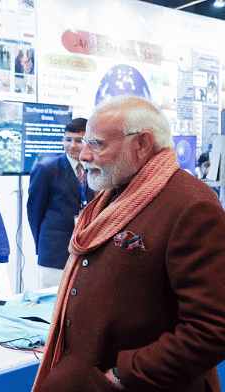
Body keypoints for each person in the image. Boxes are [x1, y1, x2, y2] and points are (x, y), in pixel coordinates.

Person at [33, 96, 225, 392]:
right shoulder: (117, 192)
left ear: (142, 144)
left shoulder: (191, 204)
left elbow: (212, 329)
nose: (83, 155)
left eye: (96, 144)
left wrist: (125, 373)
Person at [27, 118, 95, 288]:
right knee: (50, 304)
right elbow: (34, 212)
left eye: (78, 140)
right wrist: (43, 244)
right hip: (54, 252)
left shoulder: (94, 168)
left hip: (86, 251)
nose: (72, 145)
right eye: (67, 139)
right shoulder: (46, 169)